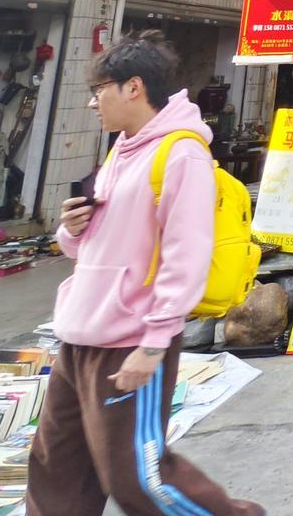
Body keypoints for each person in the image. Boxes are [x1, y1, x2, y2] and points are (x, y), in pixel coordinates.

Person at [26, 31, 262, 516]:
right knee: (57, 472)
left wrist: (153, 344)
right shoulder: (121, 149)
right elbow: (97, 242)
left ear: (133, 87)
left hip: (130, 339)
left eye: (99, 90)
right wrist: (71, 230)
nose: (93, 103)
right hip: (79, 335)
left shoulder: (181, 154)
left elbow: (186, 253)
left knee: (137, 478)